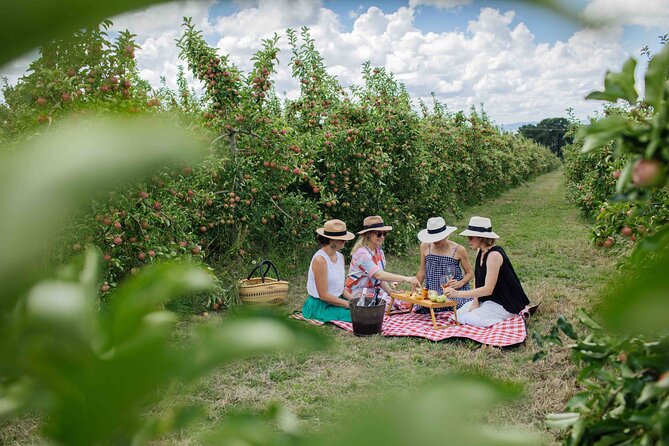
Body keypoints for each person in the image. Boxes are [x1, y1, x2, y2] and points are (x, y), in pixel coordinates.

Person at [443, 216, 530, 327]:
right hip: (488, 300)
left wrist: (458, 293)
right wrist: (475, 301)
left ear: (481, 237)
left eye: (471, 237)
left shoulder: (494, 255)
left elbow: (488, 289)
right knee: (456, 315)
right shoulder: (480, 251)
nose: (468, 240)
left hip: (504, 303)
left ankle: (507, 320)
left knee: (468, 318)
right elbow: (477, 278)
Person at [346, 215, 420, 304]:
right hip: (359, 292)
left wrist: (390, 292)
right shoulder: (362, 254)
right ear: (368, 234)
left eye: (384, 233)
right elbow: (378, 275)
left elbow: (380, 278)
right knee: (389, 304)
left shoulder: (379, 251)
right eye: (379, 234)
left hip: (374, 290)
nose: (382, 237)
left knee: (404, 301)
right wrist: (405, 278)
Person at [302, 219, 356, 322]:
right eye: (342, 239)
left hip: (336, 301)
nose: (346, 241)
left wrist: (353, 299)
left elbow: (340, 288)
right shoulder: (320, 260)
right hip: (319, 306)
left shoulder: (340, 257)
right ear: (331, 239)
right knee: (357, 315)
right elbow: (323, 295)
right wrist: (348, 304)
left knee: (363, 311)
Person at [415, 216, 473, 312]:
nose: (435, 241)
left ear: (446, 235)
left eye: (438, 238)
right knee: (423, 309)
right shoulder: (425, 246)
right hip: (432, 292)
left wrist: (460, 283)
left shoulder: (458, 250)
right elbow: (422, 271)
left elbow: (470, 273)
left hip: (452, 292)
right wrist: (414, 291)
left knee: (454, 308)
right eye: (433, 238)